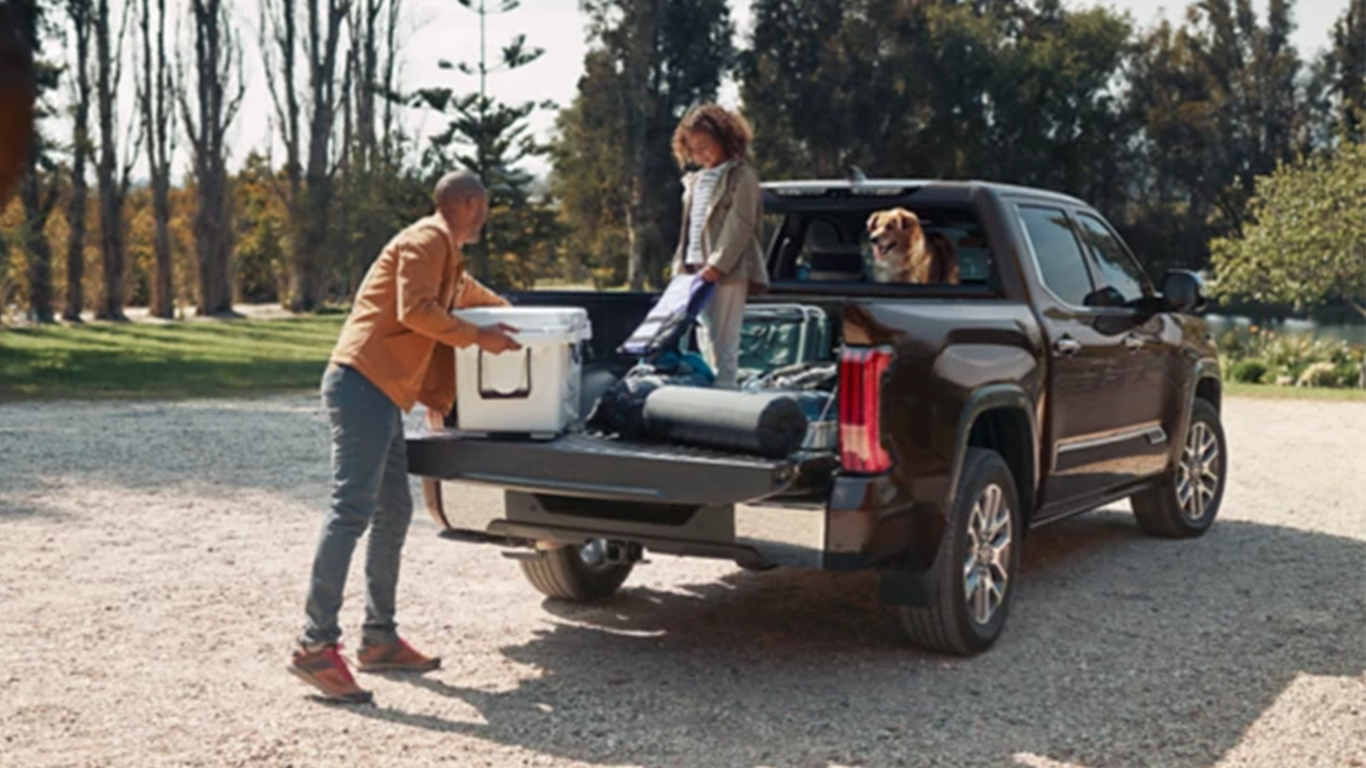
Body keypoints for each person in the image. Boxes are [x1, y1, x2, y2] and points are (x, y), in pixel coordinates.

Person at [288, 170, 521, 704]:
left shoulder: (446, 253)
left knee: (393, 511)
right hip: (361, 382)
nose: (485, 216)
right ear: (467, 203)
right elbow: (415, 310)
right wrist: (478, 339)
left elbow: (467, 295)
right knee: (351, 509)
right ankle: (314, 644)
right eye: (482, 207)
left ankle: (379, 638)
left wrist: (521, 319)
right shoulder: (427, 240)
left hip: (383, 391)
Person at [669, 103, 770, 389]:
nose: (700, 154)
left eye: (705, 146)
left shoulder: (741, 175)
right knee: (705, 336)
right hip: (694, 269)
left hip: (726, 270)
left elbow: (740, 224)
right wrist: (683, 268)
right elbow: (689, 227)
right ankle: (710, 397)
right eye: (693, 150)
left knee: (723, 342)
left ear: (724, 139)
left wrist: (717, 264)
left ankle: (724, 396)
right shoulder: (696, 180)